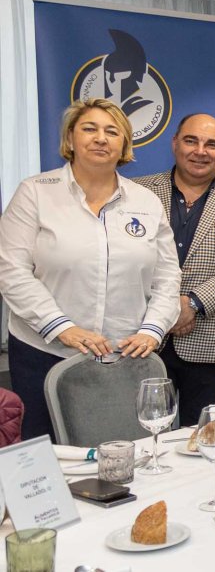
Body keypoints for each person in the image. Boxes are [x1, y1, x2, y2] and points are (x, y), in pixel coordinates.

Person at [0, 98, 180, 440]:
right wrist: (62, 327)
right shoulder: (35, 193)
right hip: (47, 352)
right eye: (89, 129)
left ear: (124, 144)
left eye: (112, 131)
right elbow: (11, 270)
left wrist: (152, 331)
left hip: (126, 358)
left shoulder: (146, 202)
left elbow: (167, 277)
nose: (101, 138)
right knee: (51, 459)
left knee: (127, 453)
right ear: (70, 139)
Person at [133, 113, 215, 426]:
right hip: (139, 333)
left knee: (199, 435)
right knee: (140, 430)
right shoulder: (137, 193)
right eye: (191, 140)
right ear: (175, 143)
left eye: (212, 144)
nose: (200, 151)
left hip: (208, 336)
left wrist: (191, 303)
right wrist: (165, 308)